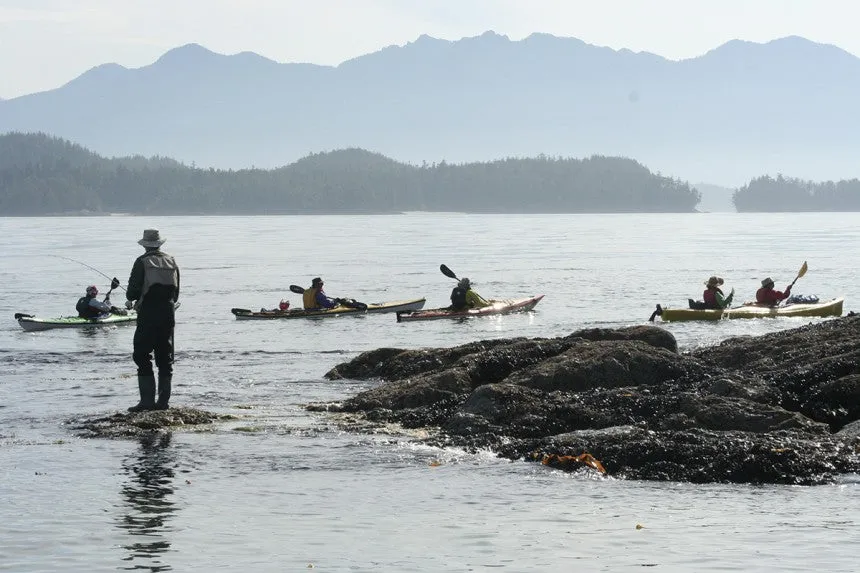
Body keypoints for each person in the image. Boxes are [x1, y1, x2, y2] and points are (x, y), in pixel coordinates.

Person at [126, 229, 180, 412]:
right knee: (165, 358)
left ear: (145, 245)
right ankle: (163, 403)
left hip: (148, 313)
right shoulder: (171, 261)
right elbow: (177, 292)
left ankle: (147, 402)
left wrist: (131, 298)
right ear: (159, 244)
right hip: (168, 313)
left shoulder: (142, 262)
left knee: (141, 354)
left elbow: (132, 291)